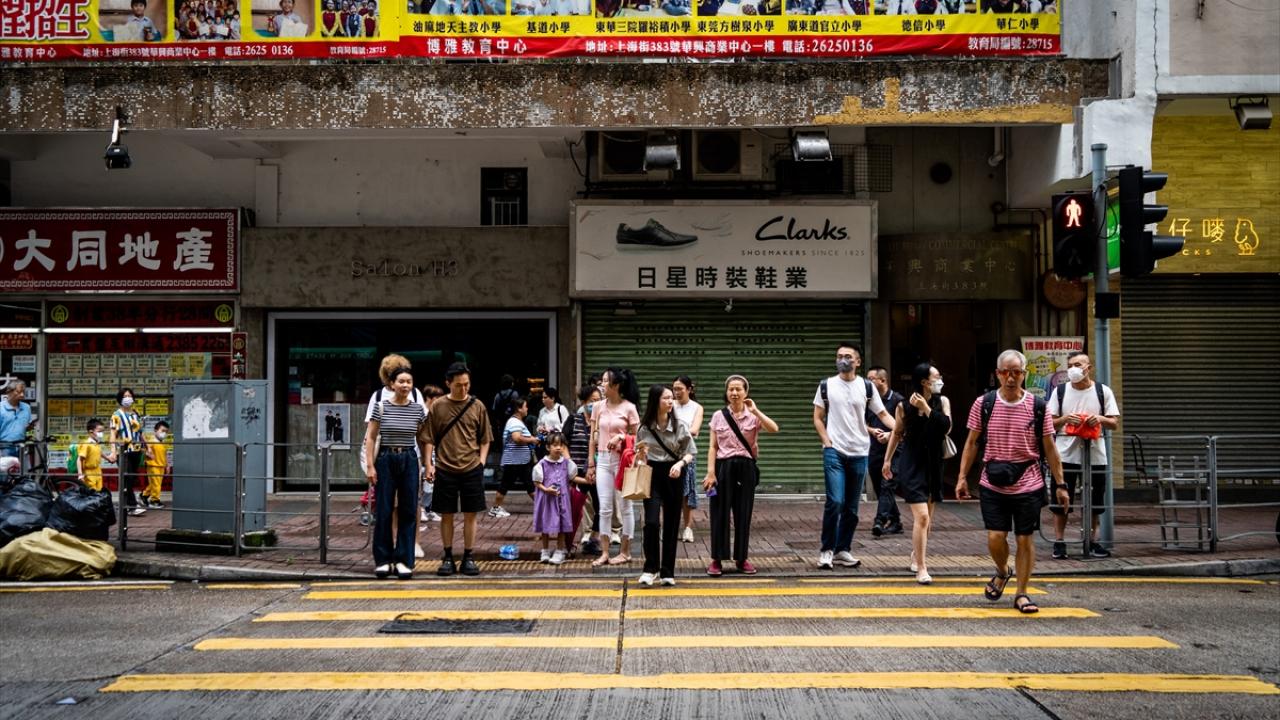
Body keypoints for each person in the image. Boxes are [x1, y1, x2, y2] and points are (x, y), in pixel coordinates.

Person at [956, 349, 1069, 614]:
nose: (1010, 377)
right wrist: (962, 477)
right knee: (996, 536)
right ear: (997, 374)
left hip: (1028, 481)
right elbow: (971, 443)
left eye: (1016, 372)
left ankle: (1022, 593)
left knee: (1024, 539)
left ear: (1024, 374)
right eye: (1005, 372)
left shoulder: (1038, 406)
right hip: (992, 481)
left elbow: (1050, 449)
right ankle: (1002, 570)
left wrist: (1060, 484)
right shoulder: (984, 403)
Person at [813, 343, 895, 570]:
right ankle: (827, 550)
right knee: (835, 501)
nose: (843, 360)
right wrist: (826, 442)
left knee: (851, 507)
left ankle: (842, 549)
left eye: (848, 356)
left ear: (858, 361)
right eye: (839, 356)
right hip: (834, 452)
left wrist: (898, 430)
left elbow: (883, 414)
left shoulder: (867, 387)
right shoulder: (826, 386)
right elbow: (818, 417)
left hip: (859, 452)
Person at [882, 364, 951, 584]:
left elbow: (946, 428)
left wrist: (928, 409)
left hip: (933, 464)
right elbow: (897, 432)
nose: (939, 379)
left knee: (928, 518)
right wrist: (887, 460)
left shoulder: (942, 402)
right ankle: (921, 567)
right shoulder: (903, 406)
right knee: (921, 516)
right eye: (936, 376)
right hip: (912, 463)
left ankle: (916, 553)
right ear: (924, 381)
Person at [1047, 351, 1120, 559]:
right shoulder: (1060, 391)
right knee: (1061, 497)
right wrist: (1065, 419)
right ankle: (1059, 542)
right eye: (1070, 365)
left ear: (1089, 367)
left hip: (1096, 454)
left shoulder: (1102, 391)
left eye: (1078, 364)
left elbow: (1114, 422)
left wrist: (1099, 419)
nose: (1073, 369)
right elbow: (1050, 422)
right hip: (1065, 454)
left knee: (1096, 499)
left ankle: (1094, 541)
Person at [704, 374, 778, 576]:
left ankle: (741, 558)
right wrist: (711, 472)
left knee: (743, 513)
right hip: (723, 466)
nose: (734, 393)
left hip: (746, 467)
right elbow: (712, 447)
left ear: (746, 393)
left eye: (739, 389)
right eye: (731, 389)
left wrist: (756, 410)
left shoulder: (753, 416)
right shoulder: (718, 416)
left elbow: (774, 428)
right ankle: (717, 559)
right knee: (719, 513)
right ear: (726, 393)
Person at [423, 362, 492, 577]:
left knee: (471, 514)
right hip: (444, 467)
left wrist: (481, 461)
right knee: (446, 514)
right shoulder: (438, 406)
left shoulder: (477, 405)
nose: (463, 389)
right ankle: (447, 556)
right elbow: (428, 438)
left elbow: (485, 438)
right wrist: (428, 464)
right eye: (458, 385)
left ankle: (469, 556)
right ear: (448, 384)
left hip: (471, 466)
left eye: (466, 384)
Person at [361, 366, 427, 580]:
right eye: (401, 381)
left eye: (409, 381)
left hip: (409, 458)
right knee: (384, 509)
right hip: (386, 459)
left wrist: (428, 464)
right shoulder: (381, 407)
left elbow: (424, 439)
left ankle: (404, 560)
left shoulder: (418, 409)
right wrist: (370, 466)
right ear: (392, 384)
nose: (405, 385)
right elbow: (370, 437)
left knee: (408, 510)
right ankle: (383, 560)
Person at [636, 384, 696, 586]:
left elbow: (690, 452)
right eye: (666, 398)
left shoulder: (680, 426)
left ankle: (667, 572)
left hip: (674, 473)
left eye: (672, 398)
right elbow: (640, 454)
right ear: (656, 401)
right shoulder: (644, 428)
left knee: (671, 524)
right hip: (652, 474)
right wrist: (639, 460)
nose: (671, 401)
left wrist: (680, 463)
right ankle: (650, 568)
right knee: (651, 522)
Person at [587, 367, 640, 567]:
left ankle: (625, 551)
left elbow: (639, 438)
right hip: (602, 460)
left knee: (626, 506)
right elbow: (593, 436)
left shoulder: (629, 408)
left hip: (623, 462)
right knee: (605, 508)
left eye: (605, 381)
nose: (601, 384)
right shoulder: (598, 407)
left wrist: (621, 437)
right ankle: (605, 552)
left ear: (616, 385)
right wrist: (591, 464)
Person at [866, 366, 904, 537]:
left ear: (882, 380)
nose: (868, 382)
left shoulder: (898, 401)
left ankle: (879, 521)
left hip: (895, 450)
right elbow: (861, 423)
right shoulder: (868, 401)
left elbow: (904, 427)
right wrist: (872, 431)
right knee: (881, 488)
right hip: (875, 450)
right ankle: (895, 521)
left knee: (887, 485)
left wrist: (890, 435)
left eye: (871, 379)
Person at [565, 384, 602, 556]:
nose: (595, 404)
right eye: (592, 401)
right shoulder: (574, 419)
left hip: (598, 472)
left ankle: (593, 540)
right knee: (574, 508)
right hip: (578, 473)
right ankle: (567, 542)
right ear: (584, 402)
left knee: (602, 507)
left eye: (598, 400)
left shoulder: (603, 423)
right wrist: (569, 463)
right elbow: (562, 442)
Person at [490, 396, 539, 518]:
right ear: (519, 408)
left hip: (519, 460)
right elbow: (517, 438)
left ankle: (542, 507)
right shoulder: (514, 422)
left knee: (529, 484)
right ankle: (495, 508)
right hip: (515, 461)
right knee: (507, 485)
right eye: (525, 406)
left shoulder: (516, 422)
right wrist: (532, 439)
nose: (527, 409)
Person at [532, 431, 576, 565]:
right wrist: (546, 490)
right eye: (555, 445)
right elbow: (536, 481)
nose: (558, 448)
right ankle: (545, 550)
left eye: (561, 445)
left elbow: (572, 476)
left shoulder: (567, 463)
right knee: (545, 524)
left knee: (561, 525)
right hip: (547, 500)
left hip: (562, 500)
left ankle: (559, 550)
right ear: (548, 447)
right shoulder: (542, 464)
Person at [671, 375, 703, 543]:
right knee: (668, 492)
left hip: (687, 454)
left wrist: (676, 434)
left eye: (680, 389)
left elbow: (695, 430)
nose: (676, 392)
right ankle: (671, 527)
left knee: (687, 492)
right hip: (668, 453)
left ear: (689, 389)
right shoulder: (670, 404)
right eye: (674, 389)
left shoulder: (697, 407)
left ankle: (688, 528)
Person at [107, 388, 146, 517]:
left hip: (137, 450)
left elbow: (140, 433)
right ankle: (131, 506)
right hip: (123, 451)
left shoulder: (136, 413)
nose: (128, 398)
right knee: (127, 477)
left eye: (130, 395)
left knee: (131, 478)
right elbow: (113, 435)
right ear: (120, 399)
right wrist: (113, 452)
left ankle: (125, 504)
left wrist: (148, 448)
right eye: (125, 396)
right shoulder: (116, 415)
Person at [419, 384, 447, 525]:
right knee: (425, 482)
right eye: (437, 398)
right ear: (429, 398)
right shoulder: (423, 413)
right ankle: (422, 508)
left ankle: (428, 508)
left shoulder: (434, 413)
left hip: (434, 451)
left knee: (432, 482)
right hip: (423, 452)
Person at [0, 380, 33, 459]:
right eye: (18, 392)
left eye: (23, 392)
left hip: (22, 446)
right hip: (4, 447)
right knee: (6, 471)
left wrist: (29, 427)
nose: (22, 395)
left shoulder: (26, 407)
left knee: (25, 470)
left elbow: (27, 426)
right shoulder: (1, 408)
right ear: (9, 392)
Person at [141, 421, 170, 510]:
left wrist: (167, 465)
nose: (164, 433)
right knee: (156, 484)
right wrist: (148, 454)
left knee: (154, 484)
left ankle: (144, 495)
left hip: (161, 466)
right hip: (153, 466)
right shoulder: (151, 441)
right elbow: (143, 449)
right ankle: (154, 501)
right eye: (162, 431)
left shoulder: (162, 443)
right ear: (155, 430)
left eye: (166, 431)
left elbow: (164, 455)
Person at [76, 419, 106, 492]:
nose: (101, 434)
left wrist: (108, 458)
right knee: (91, 492)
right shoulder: (86, 444)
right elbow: (79, 459)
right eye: (99, 431)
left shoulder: (96, 444)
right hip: (89, 472)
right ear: (91, 431)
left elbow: (99, 452)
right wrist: (80, 474)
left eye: (102, 431)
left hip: (98, 471)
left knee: (99, 491)